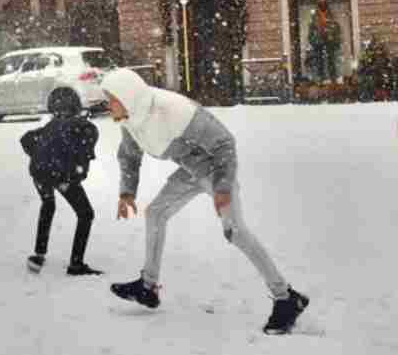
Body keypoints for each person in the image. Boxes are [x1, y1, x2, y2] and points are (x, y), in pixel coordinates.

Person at [101, 68, 308, 334]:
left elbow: (224, 143)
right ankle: (147, 287)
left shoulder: (172, 110)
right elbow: (129, 155)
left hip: (217, 170)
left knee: (235, 231)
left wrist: (222, 188)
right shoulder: (132, 118)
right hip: (191, 171)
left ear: (127, 97)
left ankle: (287, 298)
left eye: (111, 99)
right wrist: (127, 192)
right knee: (155, 213)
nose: (107, 105)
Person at [20, 93, 101, 276]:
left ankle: (39, 255)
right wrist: (70, 180)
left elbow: (26, 138)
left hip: (38, 172)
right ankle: (76, 264)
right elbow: (83, 156)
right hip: (57, 174)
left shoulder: (53, 124)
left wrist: (38, 158)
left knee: (48, 204)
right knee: (86, 214)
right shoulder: (88, 129)